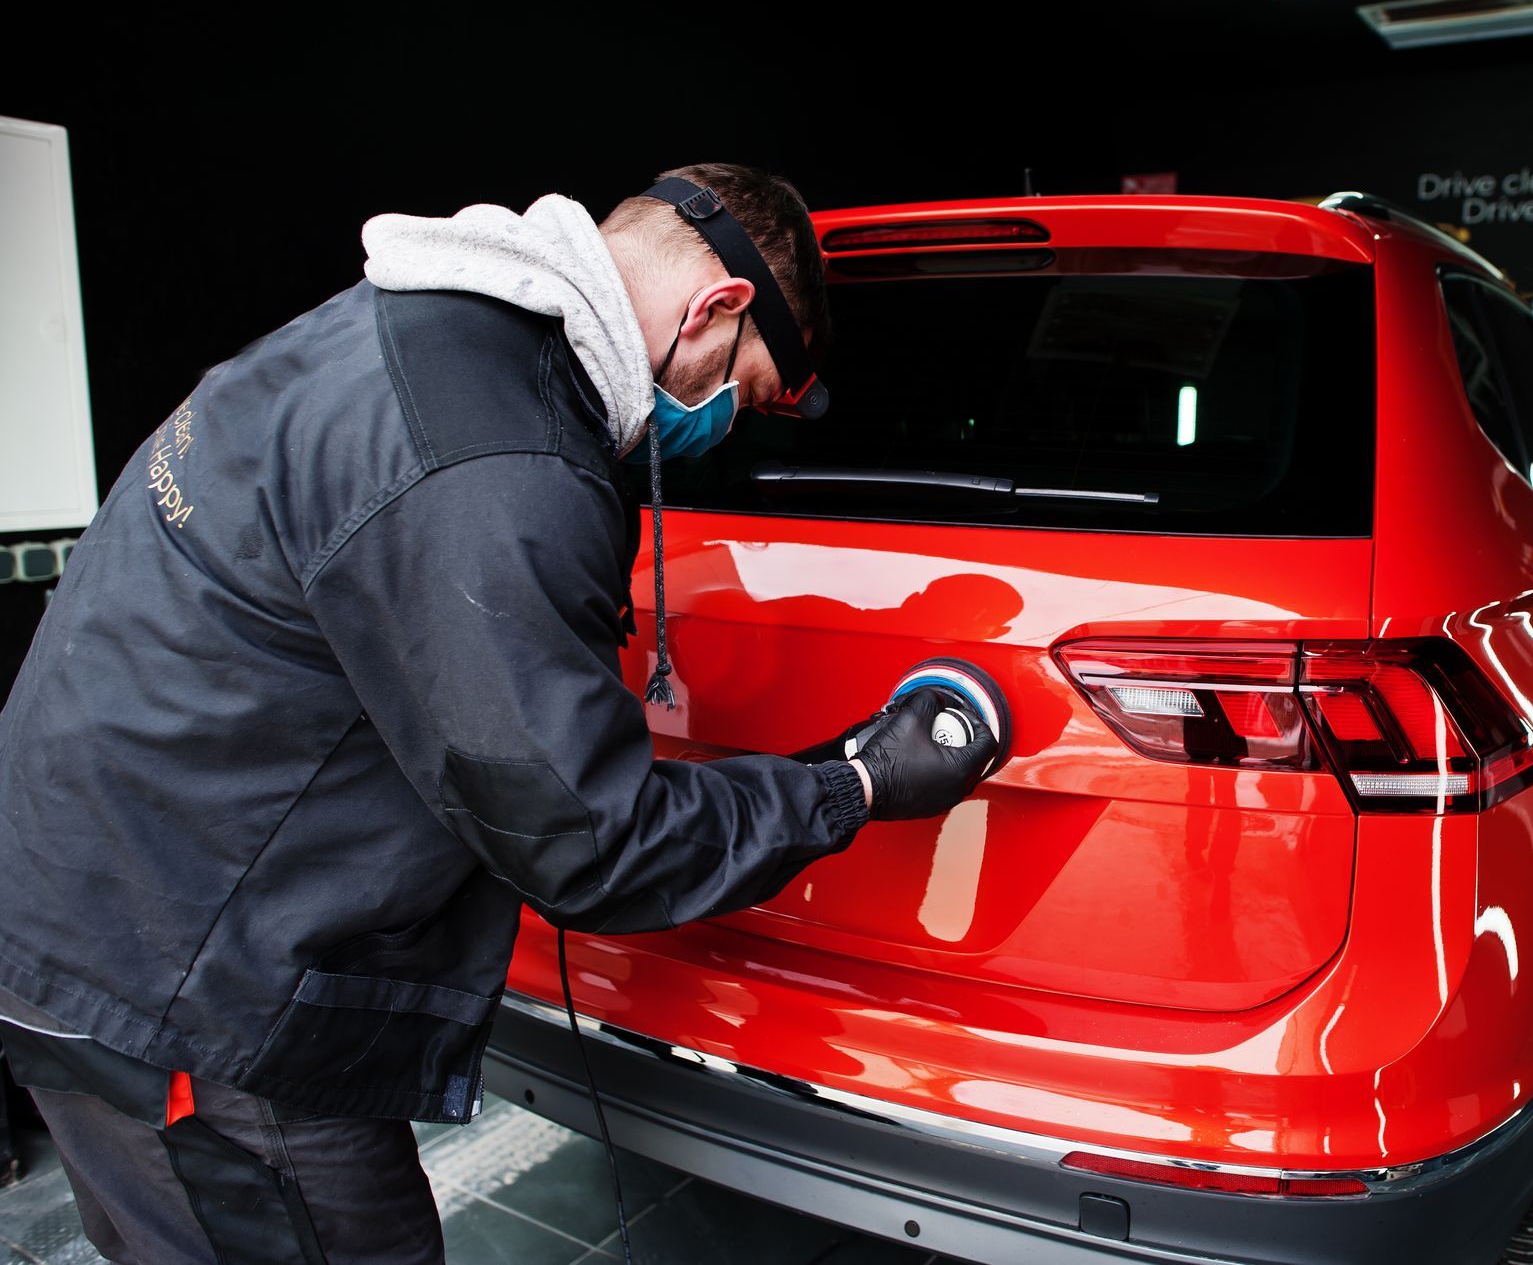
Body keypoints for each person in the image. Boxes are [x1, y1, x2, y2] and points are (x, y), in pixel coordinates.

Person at [0, 163, 992, 1263]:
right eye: (744, 394)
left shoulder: (398, 331)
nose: (725, 430)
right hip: (187, 988)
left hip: (113, 899)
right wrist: (855, 783)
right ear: (718, 307)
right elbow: (595, 843)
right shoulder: (495, 463)